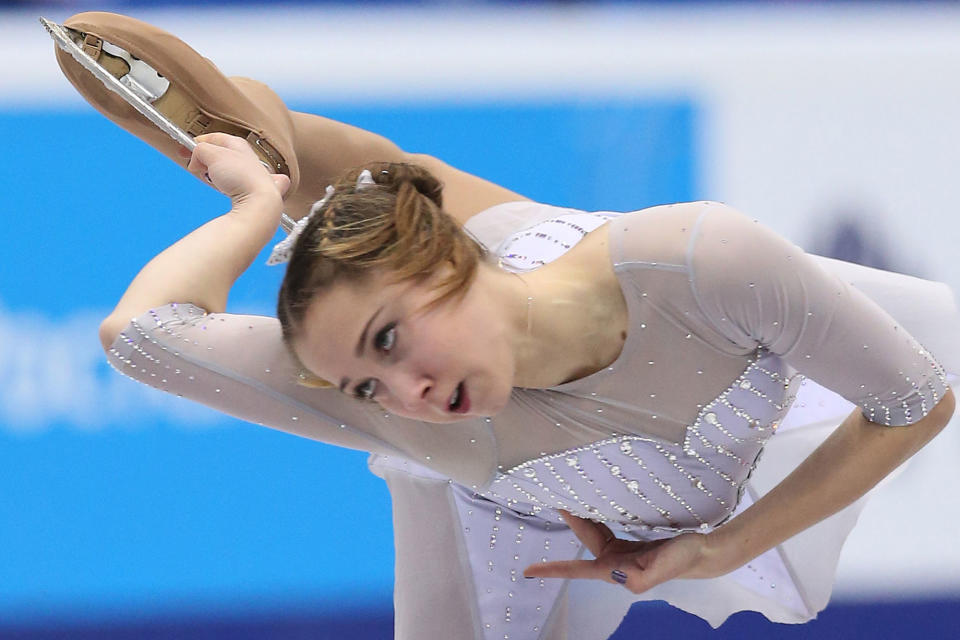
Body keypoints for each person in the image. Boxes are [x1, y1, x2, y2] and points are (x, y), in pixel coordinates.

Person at [54, 12, 958, 640]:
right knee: (413, 311)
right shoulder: (413, 415)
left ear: (439, 268)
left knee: (433, 200)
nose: (403, 394)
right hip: (507, 496)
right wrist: (250, 213)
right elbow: (136, 335)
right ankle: (268, 155)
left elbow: (916, 396)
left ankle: (277, 140)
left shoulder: (700, 258)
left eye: (389, 346)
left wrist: (728, 545)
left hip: (558, 269)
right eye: (365, 384)